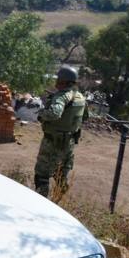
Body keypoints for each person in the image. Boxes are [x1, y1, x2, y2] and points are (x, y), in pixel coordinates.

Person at [34, 65, 86, 197]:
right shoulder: (80, 97)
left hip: (52, 143)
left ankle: (40, 201)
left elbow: (55, 113)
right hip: (69, 143)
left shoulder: (61, 97)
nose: (56, 82)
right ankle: (59, 201)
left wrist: (41, 113)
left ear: (64, 81)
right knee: (61, 175)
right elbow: (84, 117)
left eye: (58, 79)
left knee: (42, 175)